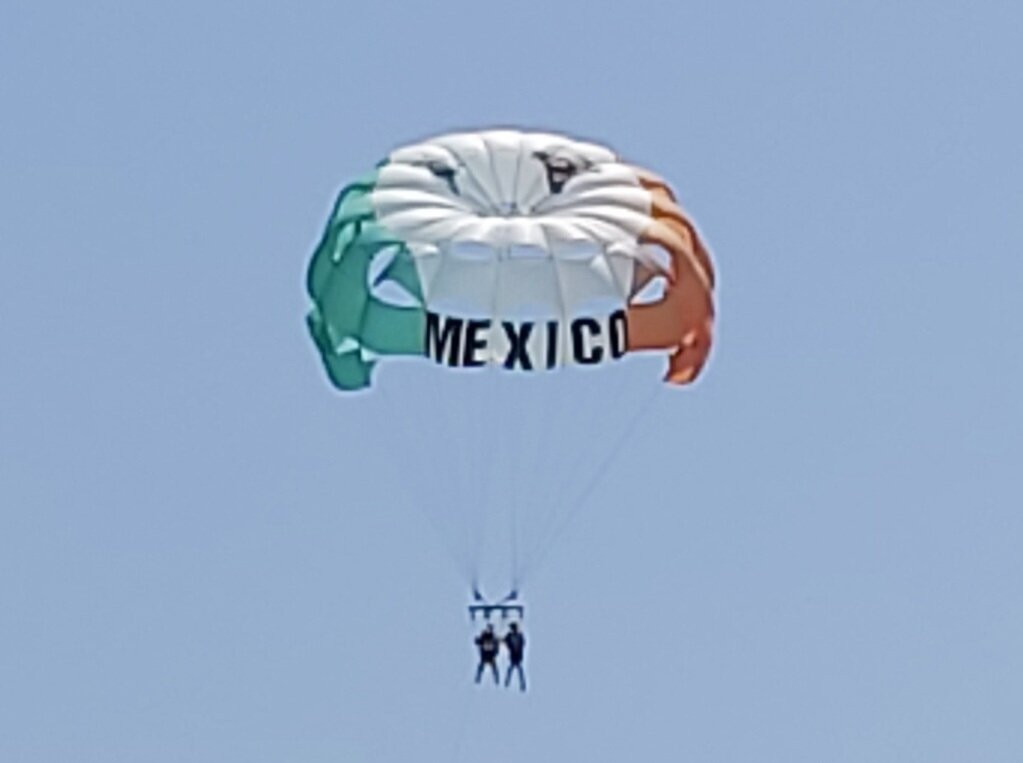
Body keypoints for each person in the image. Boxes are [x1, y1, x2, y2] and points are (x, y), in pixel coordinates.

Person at [503, 622, 527, 691]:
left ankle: (520, 684)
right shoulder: (511, 635)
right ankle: (508, 683)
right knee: (516, 670)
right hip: (514, 655)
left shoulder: (518, 635)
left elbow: (522, 644)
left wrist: (510, 646)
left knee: (516, 670)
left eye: (512, 628)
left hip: (517, 655)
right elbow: (505, 641)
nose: (512, 629)